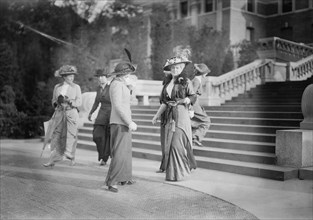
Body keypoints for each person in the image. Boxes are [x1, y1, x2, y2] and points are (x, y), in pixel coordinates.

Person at [152, 56, 197, 181]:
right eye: (173, 67)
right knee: (170, 144)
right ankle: (173, 174)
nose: (175, 69)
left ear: (182, 68)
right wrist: (156, 115)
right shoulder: (167, 83)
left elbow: (193, 96)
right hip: (168, 114)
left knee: (177, 143)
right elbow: (165, 102)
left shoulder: (186, 81)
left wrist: (188, 101)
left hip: (181, 114)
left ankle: (181, 173)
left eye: (178, 67)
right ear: (170, 69)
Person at [104, 61, 137, 193]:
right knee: (118, 153)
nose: (128, 75)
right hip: (119, 122)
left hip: (123, 121)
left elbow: (127, 100)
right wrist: (129, 122)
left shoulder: (121, 84)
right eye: (127, 73)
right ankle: (111, 182)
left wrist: (130, 87)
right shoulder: (116, 84)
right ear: (121, 74)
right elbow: (118, 106)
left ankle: (125, 177)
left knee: (126, 151)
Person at [43, 65, 82, 167]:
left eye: (73, 76)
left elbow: (79, 102)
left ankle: (71, 156)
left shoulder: (76, 87)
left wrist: (69, 101)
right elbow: (53, 100)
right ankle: (52, 160)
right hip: (59, 113)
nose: (72, 78)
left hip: (71, 113)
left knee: (71, 135)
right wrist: (56, 103)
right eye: (69, 76)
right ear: (64, 77)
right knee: (56, 136)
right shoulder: (57, 87)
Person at [88, 69, 112, 166]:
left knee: (108, 138)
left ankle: (104, 158)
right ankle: (102, 155)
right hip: (101, 115)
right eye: (99, 76)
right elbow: (96, 102)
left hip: (111, 114)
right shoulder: (98, 88)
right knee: (96, 136)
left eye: (102, 76)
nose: (100, 78)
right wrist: (91, 113)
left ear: (106, 77)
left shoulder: (111, 87)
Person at [190, 63, 211, 146]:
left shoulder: (195, 80)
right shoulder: (196, 81)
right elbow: (191, 95)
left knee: (196, 122)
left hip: (195, 104)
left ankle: (192, 138)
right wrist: (191, 108)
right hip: (193, 105)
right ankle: (194, 137)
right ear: (204, 73)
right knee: (206, 121)